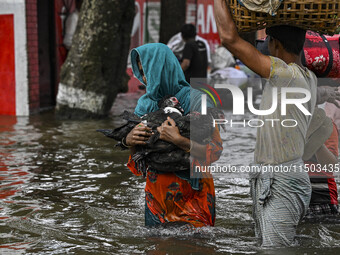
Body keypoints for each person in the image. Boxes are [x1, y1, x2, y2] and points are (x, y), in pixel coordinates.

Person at [214, 0, 317, 246]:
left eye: (268, 44)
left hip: (282, 181)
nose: (265, 50)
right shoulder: (308, 77)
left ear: (276, 45)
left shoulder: (286, 75)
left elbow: (229, 38)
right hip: (276, 177)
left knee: (274, 251)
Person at [124, 43, 223, 227]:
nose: (145, 78)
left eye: (148, 71)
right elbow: (139, 167)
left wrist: (178, 140)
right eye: (141, 73)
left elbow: (214, 152)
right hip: (157, 200)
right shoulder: (144, 106)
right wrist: (130, 140)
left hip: (194, 195)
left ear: (162, 68)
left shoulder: (196, 99)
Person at [303, 108, 339, 216]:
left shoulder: (325, 126)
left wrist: (317, 141)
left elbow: (330, 166)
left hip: (320, 195)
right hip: (289, 193)